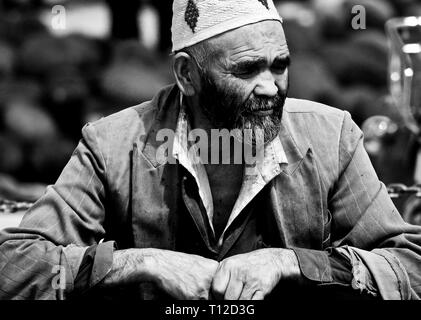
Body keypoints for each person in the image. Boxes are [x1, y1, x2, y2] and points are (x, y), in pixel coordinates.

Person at [1, 0, 420, 300]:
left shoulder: (332, 137)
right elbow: (13, 267)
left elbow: (410, 267)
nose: (271, 88)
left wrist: (293, 264)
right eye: (247, 69)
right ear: (187, 74)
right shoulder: (112, 145)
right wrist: (139, 263)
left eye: (280, 65)